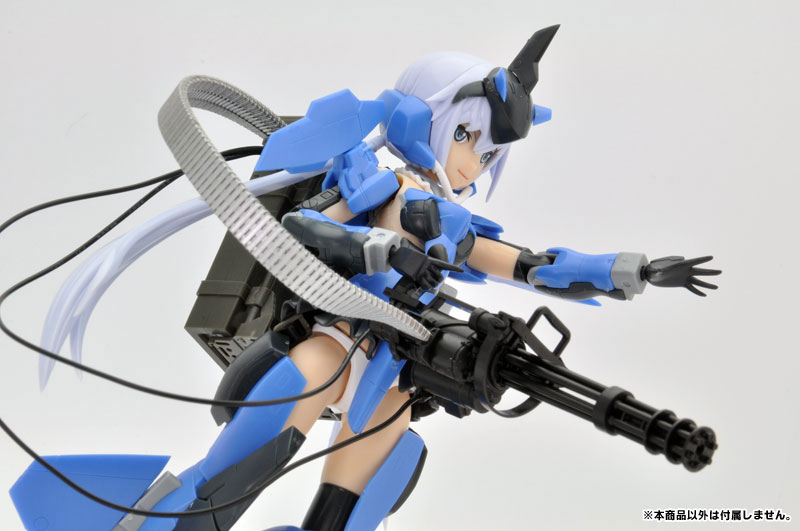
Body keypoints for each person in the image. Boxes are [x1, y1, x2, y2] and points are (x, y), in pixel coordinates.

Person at [10, 25, 719, 531]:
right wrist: (376, 250)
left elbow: (527, 266)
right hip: (334, 333)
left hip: (392, 363)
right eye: (467, 136)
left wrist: (629, 270)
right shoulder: (379, 178)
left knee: (369, 467)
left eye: (486, 152)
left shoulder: (453, 220)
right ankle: (171, 522)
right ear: (431, 113)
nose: (472, 160)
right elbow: (302, 229)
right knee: (256, 449)